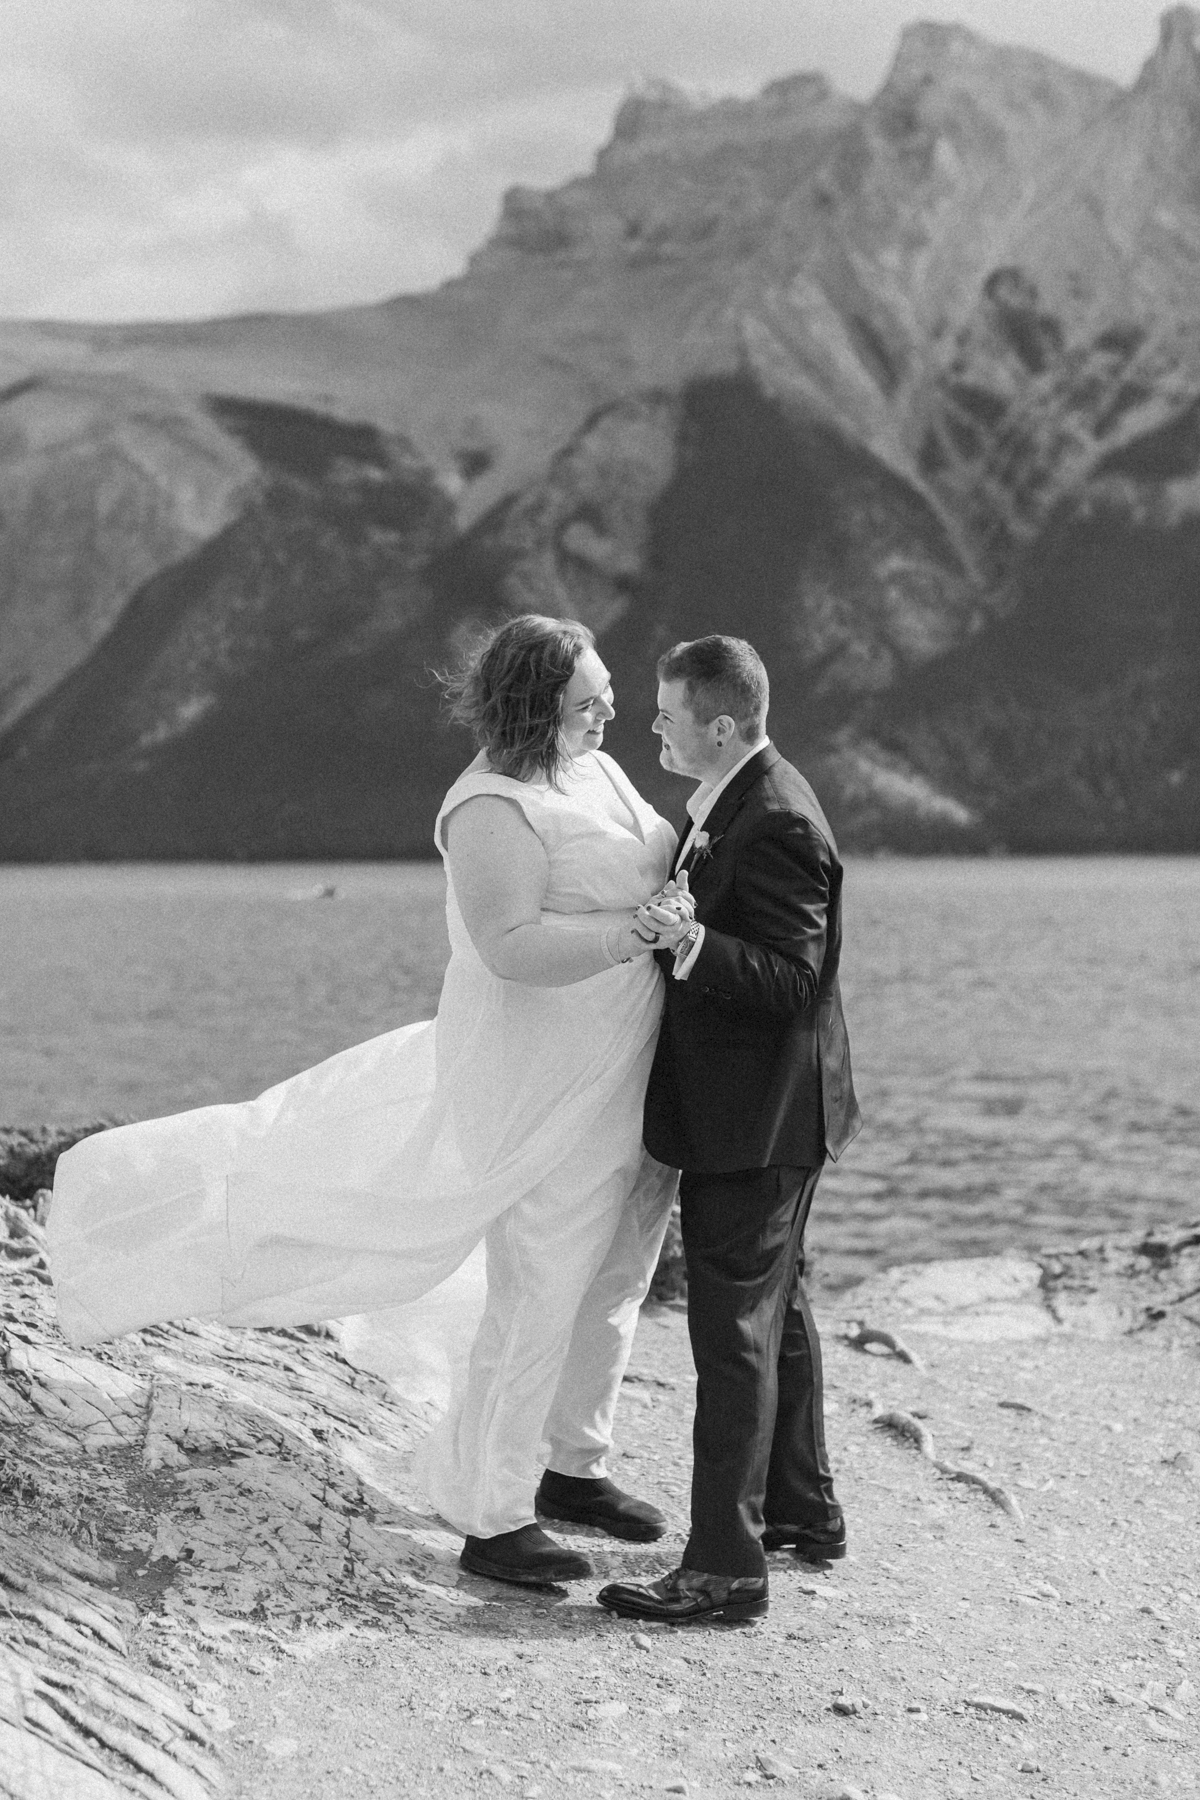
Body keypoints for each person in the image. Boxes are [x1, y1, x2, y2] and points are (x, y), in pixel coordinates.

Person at [48, 614, 691, 1589]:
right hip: (537, 1084)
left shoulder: (593, 768)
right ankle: (491, 1512)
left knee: (613, 1280)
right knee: (541, 1288)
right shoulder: (490, 808)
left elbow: (641, 860)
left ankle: (574, 1466)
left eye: (605, 692)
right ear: (533, 708)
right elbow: (509, 943)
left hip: (626, 1071)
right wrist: (630, 937)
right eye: (587, 699)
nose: (610, 710)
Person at [597, 634, 861, 1626]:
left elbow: (795, 983)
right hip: (773, 1107)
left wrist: (690, 942)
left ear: (718, 724)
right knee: (775, 1309)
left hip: (758, 1118)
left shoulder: (779, 818)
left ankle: (724, 1569)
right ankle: (803, 1514)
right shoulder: (742, 799)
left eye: (665, 714)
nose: (653, 726)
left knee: (733, 1335)